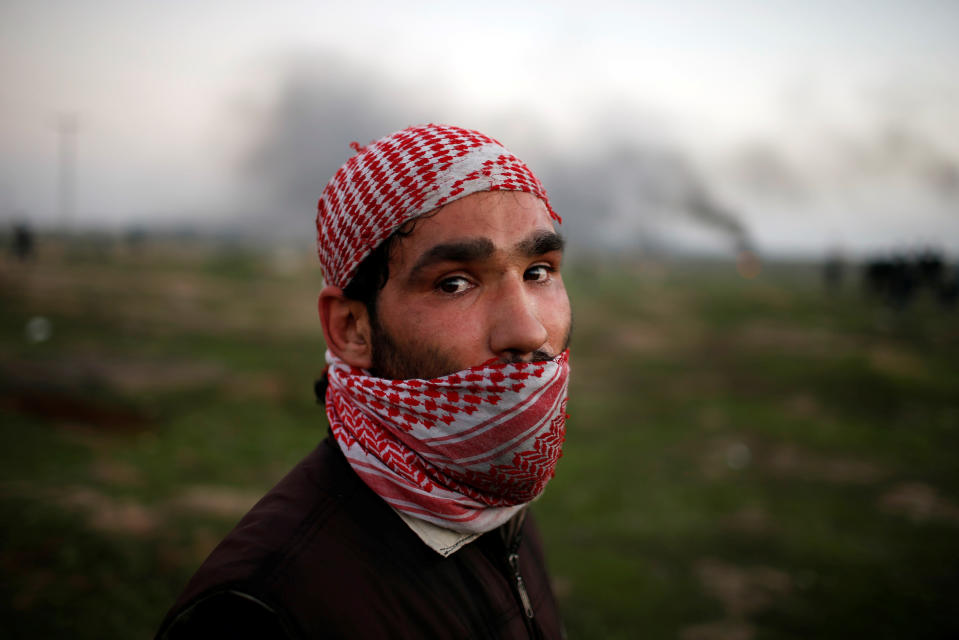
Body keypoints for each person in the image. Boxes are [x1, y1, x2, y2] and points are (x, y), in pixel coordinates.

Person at [156, 124, 572, 639]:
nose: (528, 330)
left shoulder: (495, 496)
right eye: (455, 283)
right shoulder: (260, 614)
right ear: (352, 328)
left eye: (538, 271)